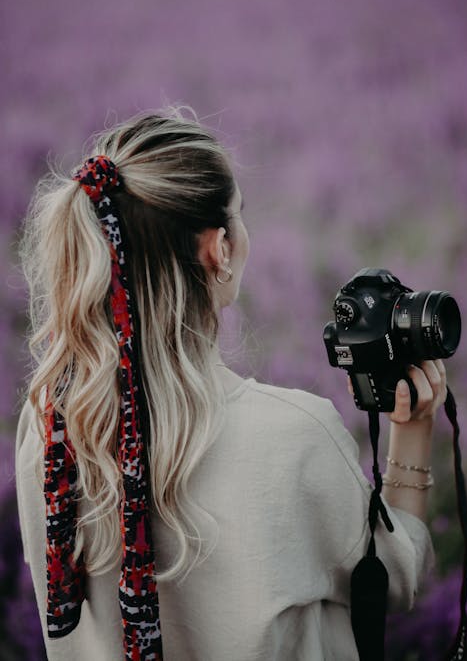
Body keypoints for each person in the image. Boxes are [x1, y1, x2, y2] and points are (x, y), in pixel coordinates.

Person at [15, 106, 445, 661]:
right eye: (241, 215)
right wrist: (413, 430)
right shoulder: (294, 436)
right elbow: (395, 578)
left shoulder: (49, 426)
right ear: (218, 249)